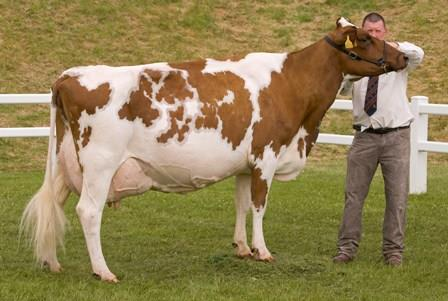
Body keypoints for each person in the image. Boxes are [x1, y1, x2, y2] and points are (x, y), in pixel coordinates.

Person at [333, 12, 424, 266]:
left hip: (396, 137)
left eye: (378, 31)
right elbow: (340, 88)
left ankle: (393, 252)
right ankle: (346, 249)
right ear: (362, 33)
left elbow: (419, 54)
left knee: (397, 198)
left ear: (385, 32)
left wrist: (389, 47)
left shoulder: (399, 59)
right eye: (369, 32)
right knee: (353, 197)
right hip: (364, 138)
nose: (373, 35)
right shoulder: (356, 63)